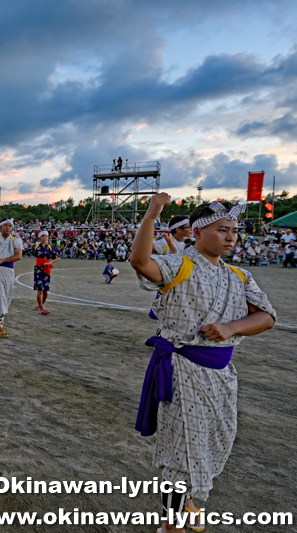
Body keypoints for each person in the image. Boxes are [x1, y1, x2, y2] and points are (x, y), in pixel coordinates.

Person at [131, 195, 276, 533]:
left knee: (216, 439)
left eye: (234, 231)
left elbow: (267, 317)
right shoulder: (179, 264)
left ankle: (188, 501)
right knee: (182, 450)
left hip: (223, 373)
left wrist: (230, 328)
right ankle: (171, 525)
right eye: (222, 229)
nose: (231, 237)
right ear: (196, 233)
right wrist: (152, 216)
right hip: (184, 370)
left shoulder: (239, 276)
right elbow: (141, 262)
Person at [31, 230, 61, 314]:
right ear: (40, 237)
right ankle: (41, 307)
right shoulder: (36, 247)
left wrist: (50, 262)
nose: (45, 238)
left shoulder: (50, 247)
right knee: (40, 289)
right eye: (43, 236)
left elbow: (58, 257)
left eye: (46, 236)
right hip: (38, 269)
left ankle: (41, 305)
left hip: (46, 269)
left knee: (45, 291)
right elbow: (25, 250)